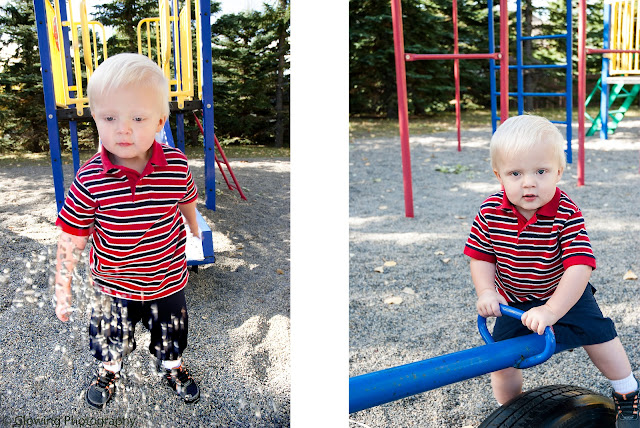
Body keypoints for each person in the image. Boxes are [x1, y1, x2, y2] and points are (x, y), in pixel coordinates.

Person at [464, 115, 638, 427]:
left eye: (540, 171)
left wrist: (552, 310)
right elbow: (481, 255)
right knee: (501, 360)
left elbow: (579, 265)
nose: (528, 182)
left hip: (565, 293)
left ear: (558, 172)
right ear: (498, 175)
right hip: (516, 299)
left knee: (600, 335)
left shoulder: (565, 211)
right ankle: (514, 412)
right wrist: (487, 291)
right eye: (515, 173)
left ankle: (628, 394)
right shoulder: (490, 211)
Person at [54, 53, 201, 409]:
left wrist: (194, 229)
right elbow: (72, 235)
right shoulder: (90, 179)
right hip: (113, 283)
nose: (123, 128)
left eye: (137, 117)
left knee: (171, 332)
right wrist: (63, 285)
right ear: (95, 118)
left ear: (159, 122)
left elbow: (187, 201)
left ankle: (172, 366)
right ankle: (109, 370)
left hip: (167, 280)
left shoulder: (175, 165)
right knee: (108, 336)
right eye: (110, 117)